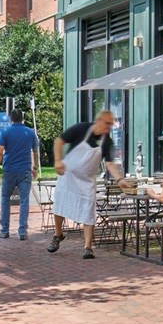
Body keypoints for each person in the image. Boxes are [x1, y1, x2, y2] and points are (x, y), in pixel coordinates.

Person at [50, 109, 123, 259]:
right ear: (99, 121)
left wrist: (120, 180)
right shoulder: (81, 129)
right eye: (107, 123)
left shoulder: (107, 140)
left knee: (89, 210)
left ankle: (88, 247)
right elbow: (59, 142)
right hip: (68, 175)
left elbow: (109, 163)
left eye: (111, 124)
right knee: (59, 205)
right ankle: (58, 235)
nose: (109, 127)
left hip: (88, 180)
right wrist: (58, 160)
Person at [0, 109, 40, 241]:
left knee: (5, 198)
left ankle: (4, 230)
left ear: (11, 119)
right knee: (24, 200)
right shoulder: (30, 133)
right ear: (22, 118)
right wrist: (35, 167)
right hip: (25, 170)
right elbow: (35, 151)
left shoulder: (5, 132)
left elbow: (0, 152)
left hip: (9, 171)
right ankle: (23, 231)